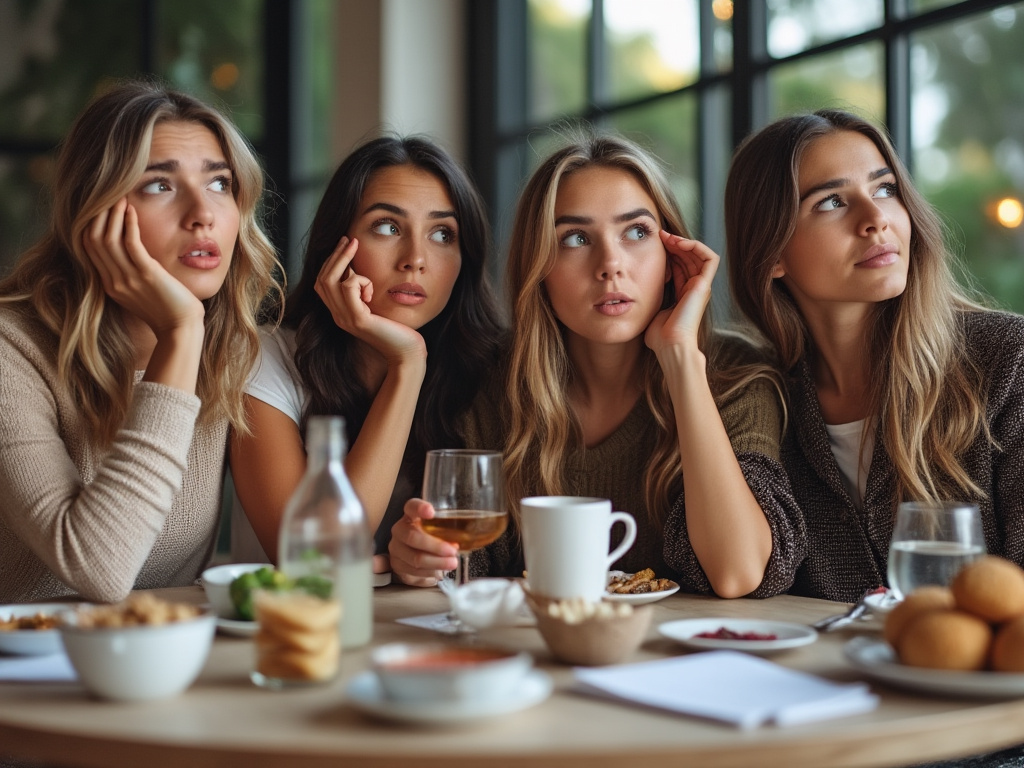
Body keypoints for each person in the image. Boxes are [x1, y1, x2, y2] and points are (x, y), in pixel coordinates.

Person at [389, 132, 804, 598]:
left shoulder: (737, 377)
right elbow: (465, 566)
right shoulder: (492, 385)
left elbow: (738, 573)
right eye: (576, 238)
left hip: (689, 662)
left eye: (637, 232)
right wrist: (423, 557)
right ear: (539, 266)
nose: (610, 264)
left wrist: (682, 360)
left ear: (673, 258)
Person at [725, 109, 1024, 603]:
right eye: (832, 202)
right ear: (771, 253)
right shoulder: (765, 400)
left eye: (885, 189)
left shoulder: (1006, 362)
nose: (875, 219)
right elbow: (732, 576)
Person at [0, 81, 282, 603]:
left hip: (151, 663)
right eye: (159, 185)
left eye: (220, 183)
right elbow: (98, 568)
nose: (202, 213)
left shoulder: (234, 350)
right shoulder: (11, 351)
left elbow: (300, 541)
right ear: (96, 215)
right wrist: (179, 333)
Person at [229, 136, 504, 570]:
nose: (415, 259)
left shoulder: (491, 374)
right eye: (388, 227)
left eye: (442, 234)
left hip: (417, 629)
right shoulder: (263, 357)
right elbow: (317, 560)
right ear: (336, 246)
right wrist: (407, 363)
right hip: (293, 629)